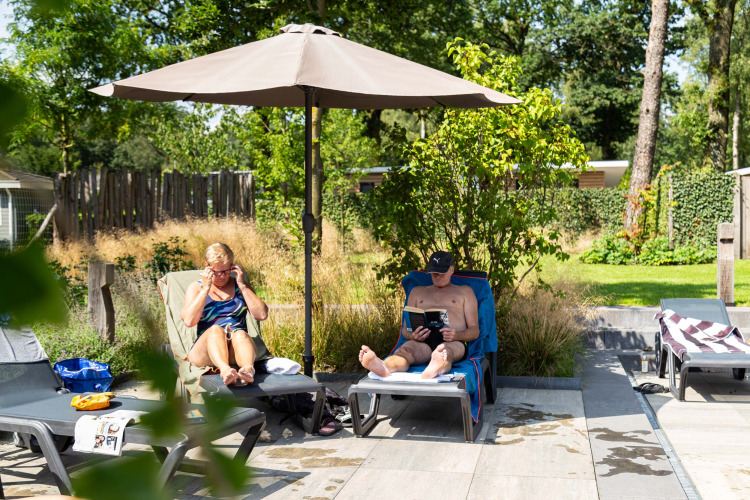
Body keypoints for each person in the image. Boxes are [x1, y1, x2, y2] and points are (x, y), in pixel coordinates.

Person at [359, 251, 479, 379]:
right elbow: (405, 330)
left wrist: (457, 335)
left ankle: (436, 366)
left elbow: (474, 330)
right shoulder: (417, 292)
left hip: (453, 341)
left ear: (451, 270)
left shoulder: (465, 292)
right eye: (434, 272)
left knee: (445, 352)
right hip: (422, 343)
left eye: (441, 272)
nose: (437, 276)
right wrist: (413, 336)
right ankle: (384, 367)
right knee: (404, 351)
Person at [181, 242, 268, 386]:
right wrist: (206, 289)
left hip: (235, 349)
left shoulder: (240, 285)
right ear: (207, 266)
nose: (222, 276)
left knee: (240, 334)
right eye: (217, 272)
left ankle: (248, 370)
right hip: (206, 351)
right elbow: (189, 321)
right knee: (215, 330)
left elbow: (262, 314)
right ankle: (225, 370)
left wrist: (243, 285)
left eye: (227, 271)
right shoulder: (196, 287)